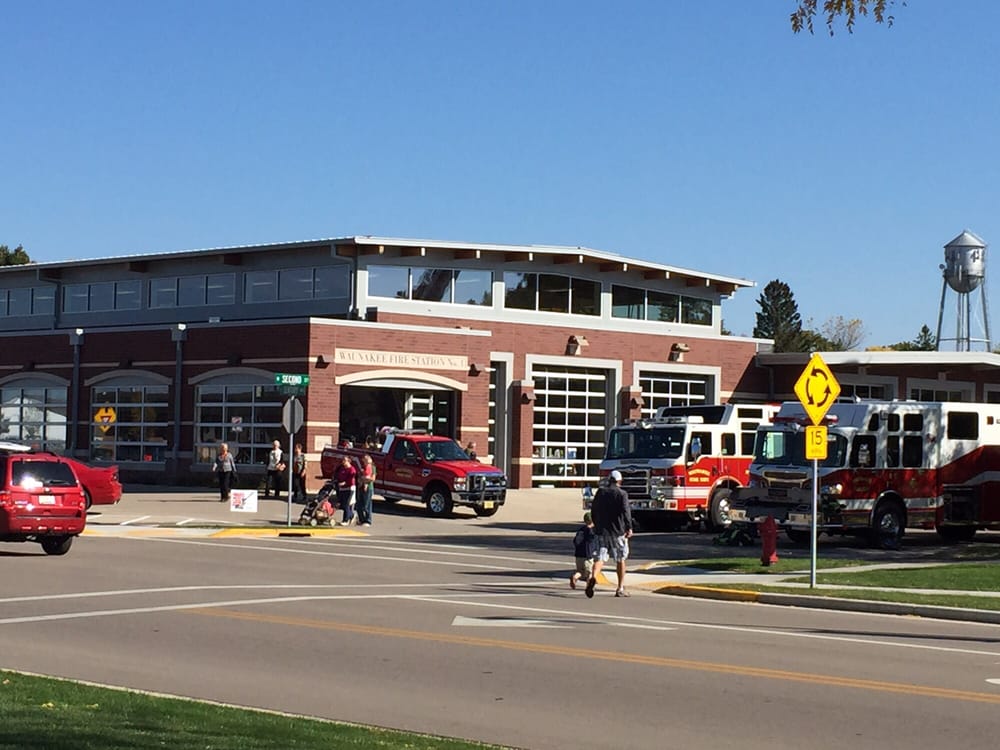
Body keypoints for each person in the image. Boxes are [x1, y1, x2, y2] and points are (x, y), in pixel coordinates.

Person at [586, 470, 634, 599]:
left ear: (609, 480)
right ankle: (620, 588)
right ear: (619, 481)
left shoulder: (601, 492)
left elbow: (593, 509)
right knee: (620, 558)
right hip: (617, 530)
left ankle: (593, 577)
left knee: (600, 557)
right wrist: (629, 527)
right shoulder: (622, 494)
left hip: (601, 530)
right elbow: (626, 511)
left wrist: (596, 524)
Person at [569, 511, 595, 589]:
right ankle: (588, 587)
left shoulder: (581, 530)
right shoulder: (592, 531)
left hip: (578, 555)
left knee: (580, 571)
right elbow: (593, 541)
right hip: (588, 555)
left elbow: (575, 541)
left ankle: (575, 577)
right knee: (589, 573)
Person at [334, 454, 357, 525]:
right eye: (343, 460)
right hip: (342, 489)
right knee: (343, 504)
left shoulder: (352, 469)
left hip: (349, 488)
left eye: (345, 460)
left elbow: (351, 480)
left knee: (347, 504)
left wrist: (344, 483)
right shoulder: (341, 468)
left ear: (349, 461)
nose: (343, 462)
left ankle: (346, 520)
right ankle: (352, 515)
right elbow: (338, 476)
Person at [356, 453, 376, 527]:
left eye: (367, 458)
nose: (366, 460)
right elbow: (359, 477)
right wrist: (361, 480)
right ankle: (361, 519)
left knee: (366, 505)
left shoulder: (372, 467)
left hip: (368, 488)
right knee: (359, 505)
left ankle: (368, 520)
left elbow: (373, 479)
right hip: (361, 487)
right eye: (364, 459)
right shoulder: (362, 468)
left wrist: (365, 480)